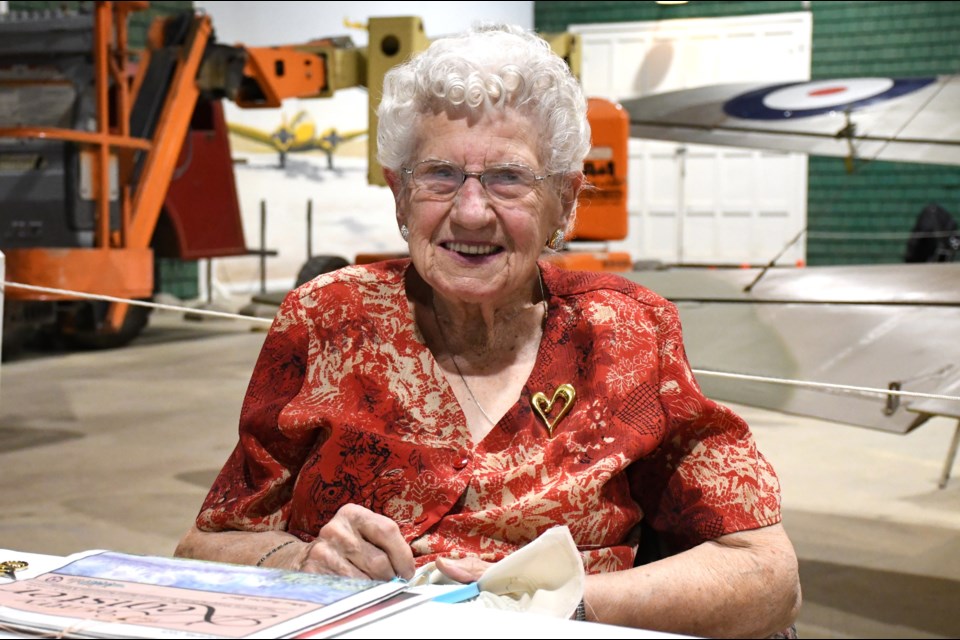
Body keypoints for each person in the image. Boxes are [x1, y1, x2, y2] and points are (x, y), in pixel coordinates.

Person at [175, 23, 801, 638]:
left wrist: (561, 604)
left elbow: (767, 578)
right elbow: (203, 546)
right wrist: (301, 565)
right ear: (399, 195)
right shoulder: (327, 318)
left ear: (566, 200)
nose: (471, 212)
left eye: (509, 178)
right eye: (439, 174)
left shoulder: (628, 331)